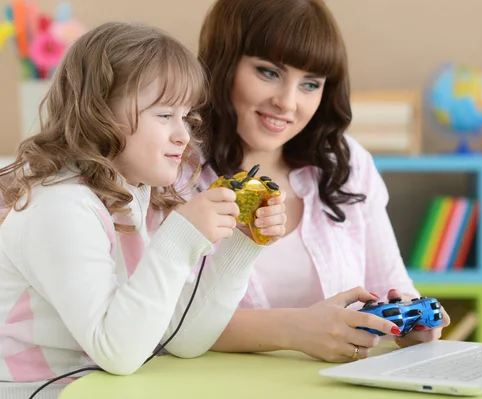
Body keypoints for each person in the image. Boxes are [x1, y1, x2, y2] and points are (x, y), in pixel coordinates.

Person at [0, 21, 286, 399]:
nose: (183, 134)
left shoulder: (138, 196)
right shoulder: (60, 207)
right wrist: (179, 240)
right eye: (164, 115)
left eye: (186, 116)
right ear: (98, 114)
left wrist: (243, 246)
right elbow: (117, 352)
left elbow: (183, 338)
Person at [194, 0, 450, 364]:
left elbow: (390, 283)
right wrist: (294, 330)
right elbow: (169, 320)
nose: (288, 103)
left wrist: (414, 323)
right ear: (224, 63)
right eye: (268, 72)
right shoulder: (176, 171)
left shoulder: (345, 163)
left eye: (310, 84)